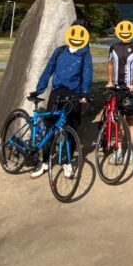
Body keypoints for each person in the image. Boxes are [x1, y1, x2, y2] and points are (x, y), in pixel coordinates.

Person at [29, 21, 94, 178]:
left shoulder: (85, 53)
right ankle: (44, 162)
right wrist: (39, 90)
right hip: (56, 93)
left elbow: (87, 74)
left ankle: (67, 161)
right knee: (50, 127)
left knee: (71, 129)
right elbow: (48, 70)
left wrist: (85, 93)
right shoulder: (60, 51)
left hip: (74, 95)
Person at [107, 19, 133, 161]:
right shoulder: (113, 47)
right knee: (117, 120)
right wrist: (109, 81)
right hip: (116, 88)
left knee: (131, 119)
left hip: (129, 89)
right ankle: (119, 150)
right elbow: (110, 64)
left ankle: (131, 150)